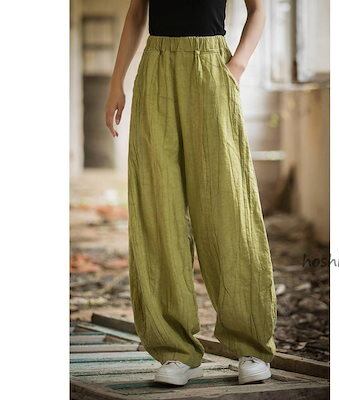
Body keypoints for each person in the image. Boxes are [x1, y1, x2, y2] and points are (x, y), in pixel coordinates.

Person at [105, 0, 277, 386]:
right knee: (158, 205)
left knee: (228, 204)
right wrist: (117, 82)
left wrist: (236, 66)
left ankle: (250, 344)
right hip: (157, 65)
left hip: (211, 66)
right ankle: (174, 350)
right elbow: (137, 14)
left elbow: (259, 9)